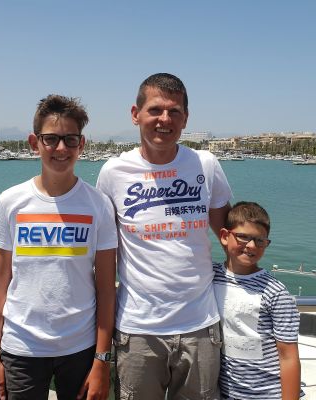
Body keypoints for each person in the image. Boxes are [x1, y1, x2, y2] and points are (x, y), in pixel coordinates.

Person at [96, 73, 232, 399]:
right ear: (136, 114)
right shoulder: (113, 172)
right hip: (138, 330)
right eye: (155, 110)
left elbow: (229, 236)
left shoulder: (206, 165)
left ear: (186, 118)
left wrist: (257, 284)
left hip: (201, 327)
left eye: (174, 111)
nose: (165, 119)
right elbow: (103, 254)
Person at [0, 94, 117, 400]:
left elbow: (106, 288)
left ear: (81, 145)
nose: (61, 148)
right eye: (51, 139)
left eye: (70, 139)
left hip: (81, 347)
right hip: (21, 347)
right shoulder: (11, 202)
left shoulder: (98, 205)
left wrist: (102, 360)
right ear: (35, 143)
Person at [213, 201, 301, 399]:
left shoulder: (275, 292)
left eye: (260, 240)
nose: (251, 246)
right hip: (224, 393)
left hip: (268, 394)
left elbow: (288, 356)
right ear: (225, 236)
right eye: (243, 237)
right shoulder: (210, 276)